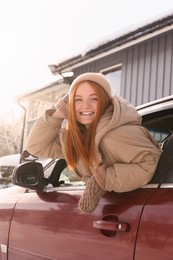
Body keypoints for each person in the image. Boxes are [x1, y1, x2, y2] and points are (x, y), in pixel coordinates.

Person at [23, 72, 162, 213]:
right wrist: (60, 112)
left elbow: (150, 162)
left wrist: (104, 179)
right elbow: (36, 146)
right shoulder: (78, 137)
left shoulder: (116, 133)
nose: (85, 106)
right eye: (78, 100)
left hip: (134, 213)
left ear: (104, 101)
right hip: (115, 212)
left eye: (93, 99)